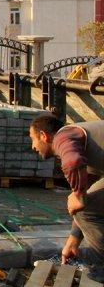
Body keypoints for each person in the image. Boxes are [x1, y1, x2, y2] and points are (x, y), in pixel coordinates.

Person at [29, 115, 103, 271]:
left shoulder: (63, 136)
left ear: (44, 136)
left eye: (33, 139)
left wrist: (78, 196)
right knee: (85, 206)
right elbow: (86, 194)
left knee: (84, 208)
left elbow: (73, 162)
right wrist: (73, 239)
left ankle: (101, 266)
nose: (32, 146)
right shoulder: (83, 142)